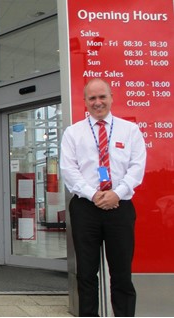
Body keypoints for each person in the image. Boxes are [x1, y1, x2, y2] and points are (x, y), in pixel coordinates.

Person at [60, 78, 146, 317]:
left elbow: (137, 167)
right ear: (85, 102)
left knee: (121, 274)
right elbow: (69, 169)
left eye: (102, 97)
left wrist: (116, 193)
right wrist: (94, 194)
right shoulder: (73, 133)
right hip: (85, 207)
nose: (97, 103)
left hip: (121, 207)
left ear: (111, 97)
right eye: (92, 98)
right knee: (86, 274)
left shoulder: (130, 131)